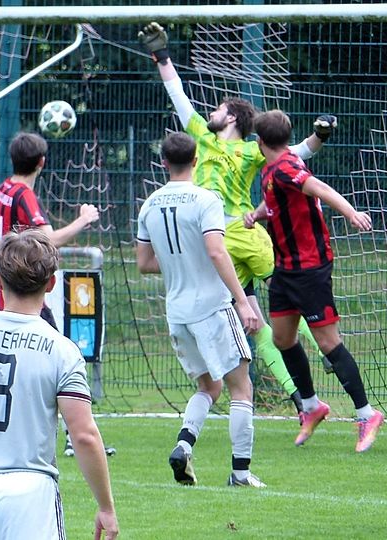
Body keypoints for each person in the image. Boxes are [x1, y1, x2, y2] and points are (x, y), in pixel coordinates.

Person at [139, 22, 331, 423]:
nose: (210, 111)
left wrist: (319, 136)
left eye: (218, 108)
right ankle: (305, 393)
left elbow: (295, 152)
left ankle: (321, 358)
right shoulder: (203, 139)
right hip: (230, 239)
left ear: (231, 118)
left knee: (279, 305)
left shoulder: (249, 149)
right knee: (263, 319)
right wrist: (162, 56)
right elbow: (177, 94)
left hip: (236, 238)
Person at [246, 110, 384, 452]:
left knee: (328, 342)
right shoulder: (274, 168)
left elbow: (317, 188)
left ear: (260, 142)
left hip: (310, 268)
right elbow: (277, 198)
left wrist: (351, 212)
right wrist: (258, 214)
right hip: (285, 269)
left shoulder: (286, 166)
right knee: (282, 338)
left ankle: (366, 414)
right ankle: (311, 406)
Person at [136, 132, 264, 487]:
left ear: (164, 162)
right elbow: (216, 251)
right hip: (211, 308)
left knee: (209, 387)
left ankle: (183, 445)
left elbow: (144, 263)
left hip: (177, 313)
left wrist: (179, 264)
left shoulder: (149, 204)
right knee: (241, 388)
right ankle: (241, 473)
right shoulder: (206, 199)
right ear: (196, 161)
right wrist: (242, 301)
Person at [0, 228, 118, 539]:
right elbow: (83, 435)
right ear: (52, 284)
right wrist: (106, 507)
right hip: (29, 494)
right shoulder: (62, 350)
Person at [0, 131, 113, 458]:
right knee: (61, 358)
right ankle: (77, 434)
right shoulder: (24, 195)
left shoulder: (4, 188)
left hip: (8, 289)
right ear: (42, 162)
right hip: (26, 296)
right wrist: (84, 220)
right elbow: (49, 240)